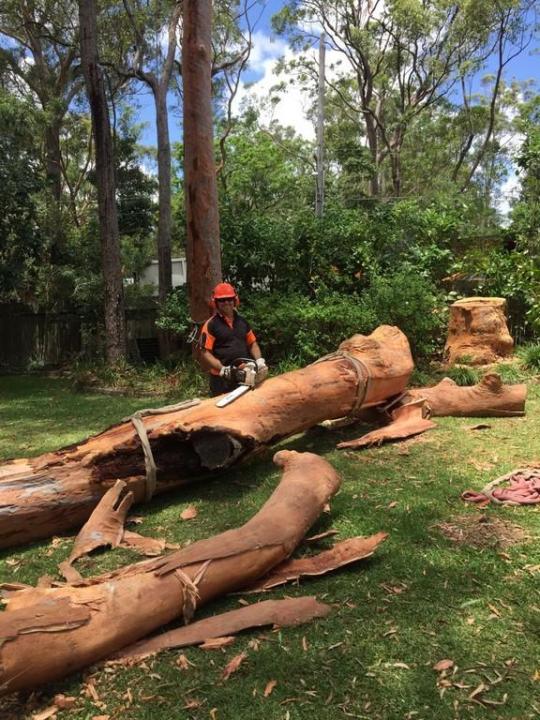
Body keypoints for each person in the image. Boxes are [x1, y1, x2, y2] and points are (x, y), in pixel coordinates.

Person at [199, 282, 268, 397]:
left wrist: (259, 361)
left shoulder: (242, 322)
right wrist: (222, 369)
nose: (226, 302)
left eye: (229, 299)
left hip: (244, 373)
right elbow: (205, 352)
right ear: (215, 303)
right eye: (222, 300)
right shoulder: (211, 324)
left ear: (235, 300)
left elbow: (252, 343)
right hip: (222, 379)